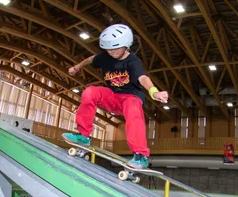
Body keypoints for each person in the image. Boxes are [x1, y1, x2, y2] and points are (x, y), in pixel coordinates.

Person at [64, 24, 168, 169]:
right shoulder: (104, 57)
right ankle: (83, 136)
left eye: (115, 48)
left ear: (126, 44)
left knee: (133, 111)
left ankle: (141, 155)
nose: (111, 51)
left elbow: (142, 78)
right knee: (89, 92)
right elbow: (90, 59)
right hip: (113, 97)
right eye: (108, 48)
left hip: (130, 98)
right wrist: (77, 67)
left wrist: (154, 91)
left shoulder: (133, 61)